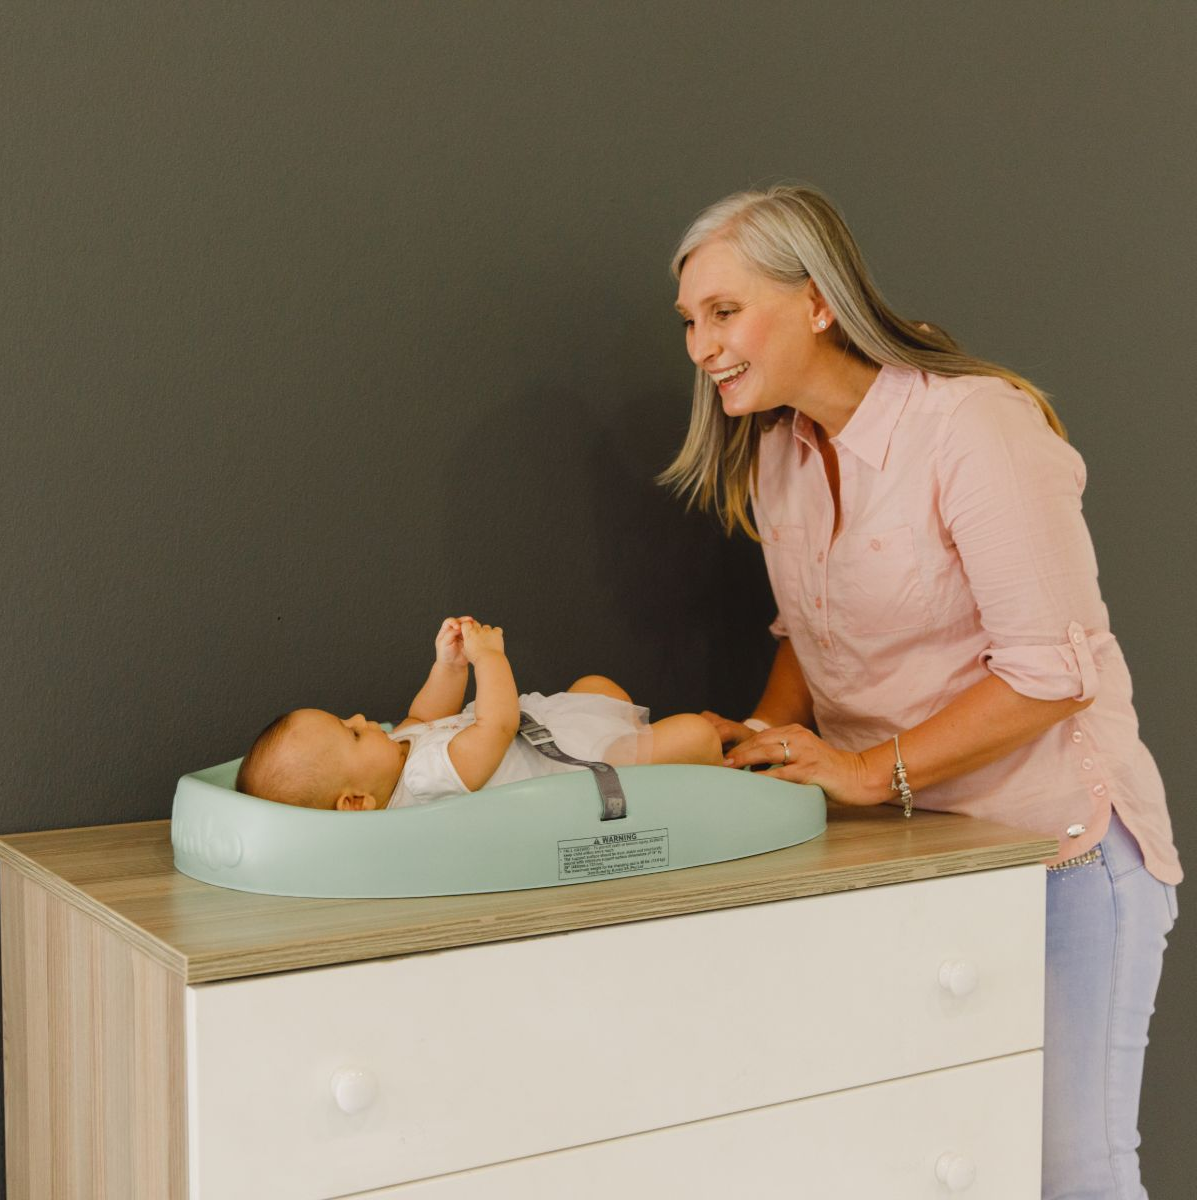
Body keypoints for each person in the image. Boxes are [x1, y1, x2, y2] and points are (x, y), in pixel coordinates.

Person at [662, 184, 1180, 1199]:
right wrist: (762, 742)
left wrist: (858, 770)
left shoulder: (974, 427)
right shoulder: (778, 452)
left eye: (724, 312)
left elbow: (1051, 675)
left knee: (1071, 1173)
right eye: (689, 321)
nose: (699, 345)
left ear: (816, 301)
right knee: (937, 1165)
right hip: (920, 860)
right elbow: (811, 633)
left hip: (1062, 860)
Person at [235, 617, 722, 811]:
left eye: (348, 719)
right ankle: (708, 763)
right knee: (696, 734)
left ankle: (650, 736)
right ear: (357, 801)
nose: (363, 719)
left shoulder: (397, 754)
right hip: (570, 758)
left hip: (551, 724)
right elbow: (498, 726)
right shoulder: (424, 781)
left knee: (596, 687)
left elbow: (425, 711)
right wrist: (490, 659)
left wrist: (447, 664)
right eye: (353, 734)